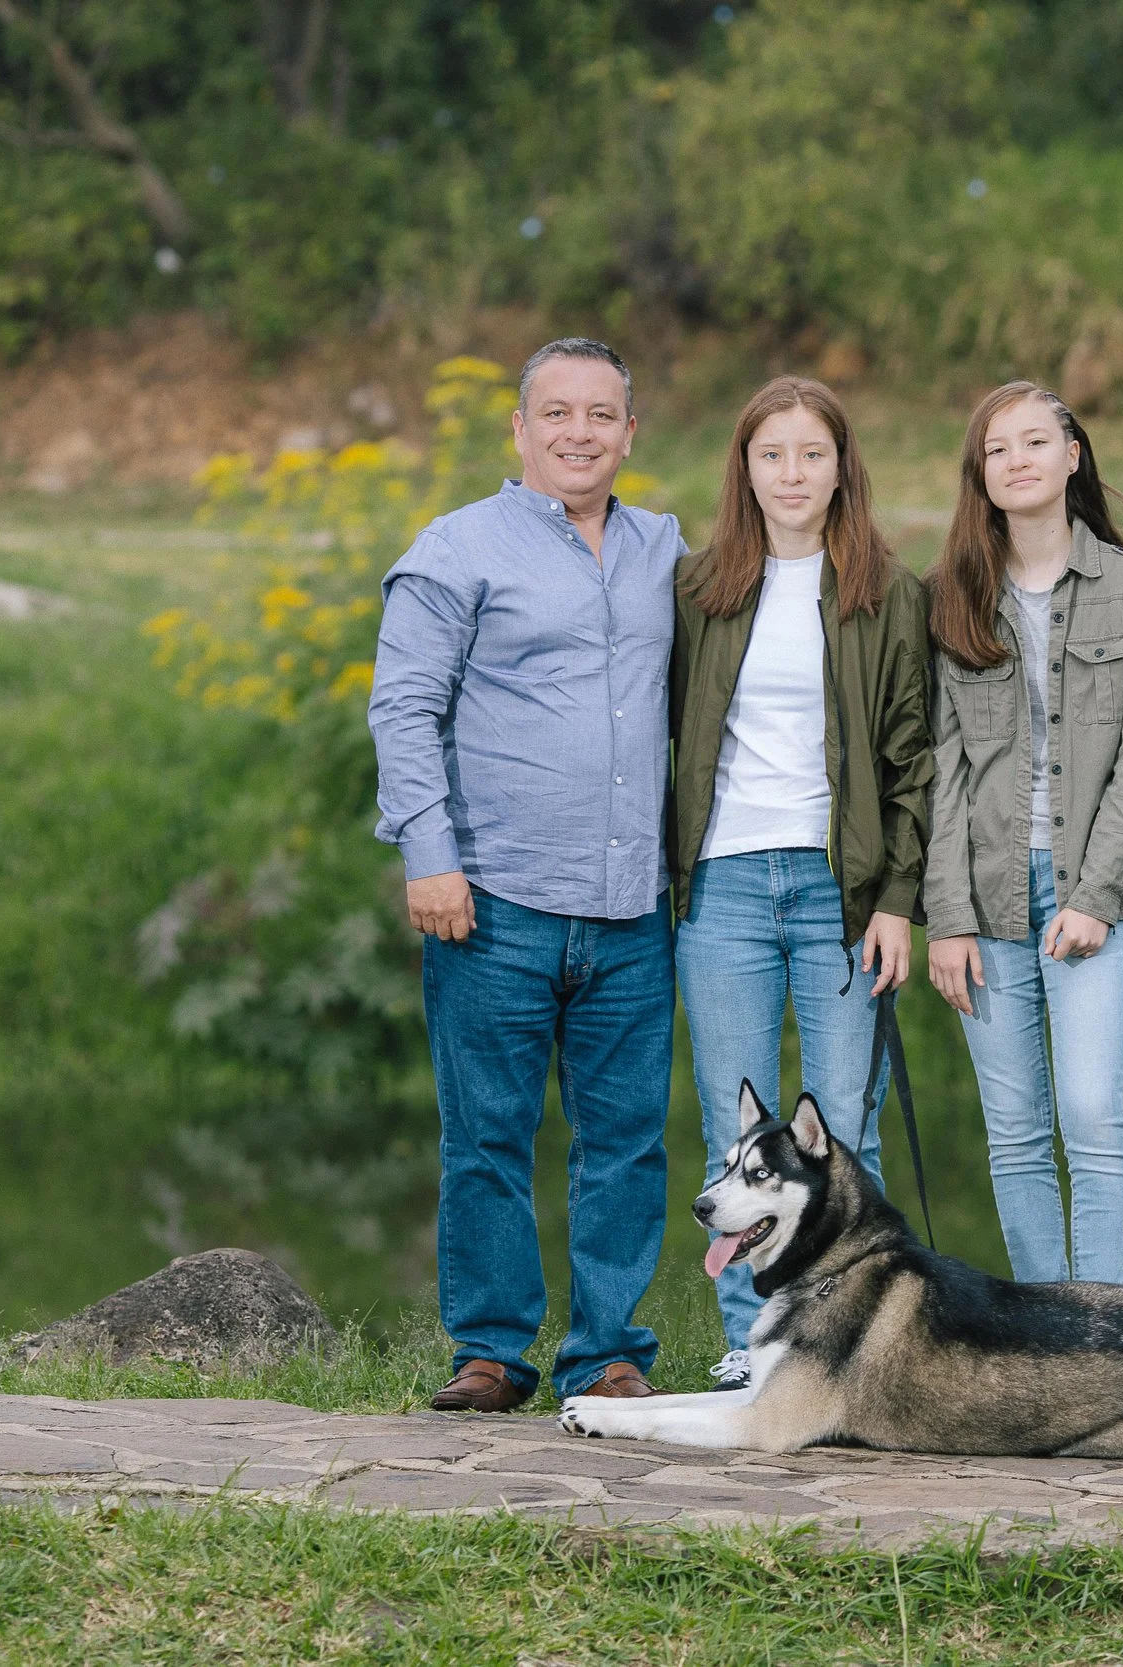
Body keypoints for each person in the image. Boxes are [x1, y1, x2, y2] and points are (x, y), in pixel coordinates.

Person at [368, 338, 686, 1414]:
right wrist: (429, 856)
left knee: (626, 1146)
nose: (579, 433)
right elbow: (403, 707)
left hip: (634, 909)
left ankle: (605, 1352)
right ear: (520, 428)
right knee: (487, 1138)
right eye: (558, 413)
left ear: (629, 433)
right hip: (491, 901)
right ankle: (494, 1350)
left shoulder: (664, 549)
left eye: (602, 414)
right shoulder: (457, 547)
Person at [670, 375, 933, 1390]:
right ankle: (750, 1345)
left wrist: (899, 899)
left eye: (811, 454)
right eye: (771, 454)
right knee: (732, 1135)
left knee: (844, 1130)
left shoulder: (883, 591)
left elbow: (911, 758)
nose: (792, 473)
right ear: (744, 467)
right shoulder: (701, 589)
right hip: (726, 886)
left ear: (841, 468)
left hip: (840, 890)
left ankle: (831, 1341)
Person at [922, 381, 1123, 1285]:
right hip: (984, 894)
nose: (1017, 459)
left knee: (1093, 1115)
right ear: (980, 476)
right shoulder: (950, 596)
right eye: (997, 448)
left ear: (1072, 456)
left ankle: (1099, 1329)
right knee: (1015, 1129)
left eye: (1035, 441)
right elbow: (940, 768)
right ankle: (1042, 1332)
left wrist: (1095, 896)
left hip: (1097, 891)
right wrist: (946, 917)